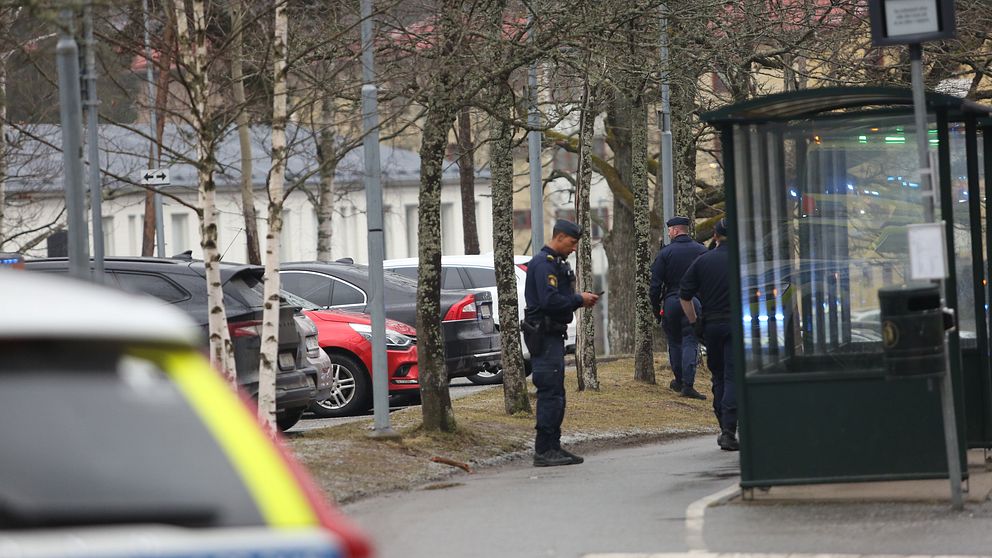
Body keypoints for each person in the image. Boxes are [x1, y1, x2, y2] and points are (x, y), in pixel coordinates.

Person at [523, 219, 600, 467]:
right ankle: (544, 450)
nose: (574, 248)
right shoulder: (543, 265)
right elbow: (549, 301)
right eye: (572, 242)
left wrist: (577, 299)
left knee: (556, 393)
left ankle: (553, 446)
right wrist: (579, 299)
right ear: (559, 237)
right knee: (550, 393)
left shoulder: (555, 263)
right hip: (544, 336)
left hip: (553, 335)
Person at [679, 218, 738, 451]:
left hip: (712, 326)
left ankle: (723, 424)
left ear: (715, 236)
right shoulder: (743, 260)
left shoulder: (702, 261)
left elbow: (684, 296)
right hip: (736, 325)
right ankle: (729, 429)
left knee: (718, 376)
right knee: (733, 376)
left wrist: (695, 323)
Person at [649, 216, 708, 400]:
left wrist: (656, 308)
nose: (669, 233)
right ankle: (688, 385)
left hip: (672, 302)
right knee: (691, 340)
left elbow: (655, 285)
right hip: (694, 302)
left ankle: (679, 380)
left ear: (675, 230)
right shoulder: (701, 251)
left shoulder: (665, 253)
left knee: (674, 342)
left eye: (669, 230)